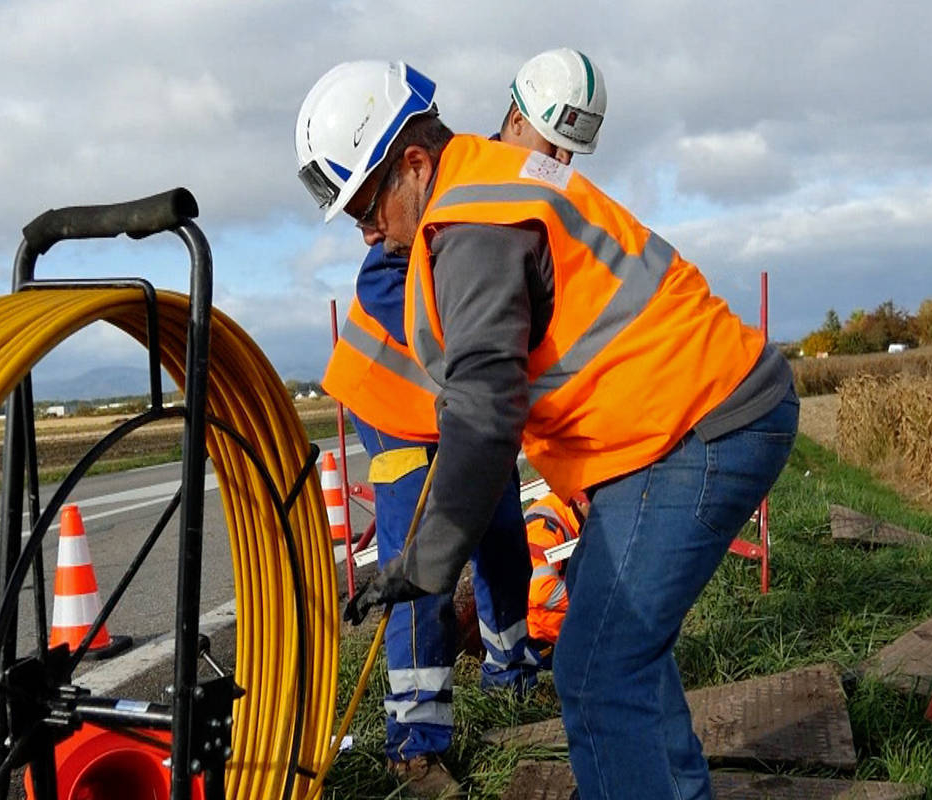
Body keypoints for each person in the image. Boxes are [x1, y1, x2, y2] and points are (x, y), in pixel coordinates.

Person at [295, 60, 798, 800]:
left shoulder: (472, 226)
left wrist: (426, 562)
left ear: (412, 162)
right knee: (620, 643)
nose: (367, 230)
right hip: (675, 427)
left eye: (367, 206)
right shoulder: (482, 186)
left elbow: (484, 408)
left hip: (700, 427)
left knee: (598, 669)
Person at [316, 50, 608, 798]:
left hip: (469, 421)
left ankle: (513, 669)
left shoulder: (492, 200)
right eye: (550, 148)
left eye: (569, 154)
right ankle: (415, 742)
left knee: (504, 538)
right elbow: (413, 312)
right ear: (514, 120)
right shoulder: (433, 216)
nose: (558, 166)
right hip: (399, 413)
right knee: (423, 566)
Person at [521, 490, 587, 660]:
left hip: (572, 631)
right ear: (580, 500)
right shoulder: (543, 526)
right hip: (544, 640)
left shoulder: (582, 518)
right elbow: (543, 591)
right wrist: (598, 602)